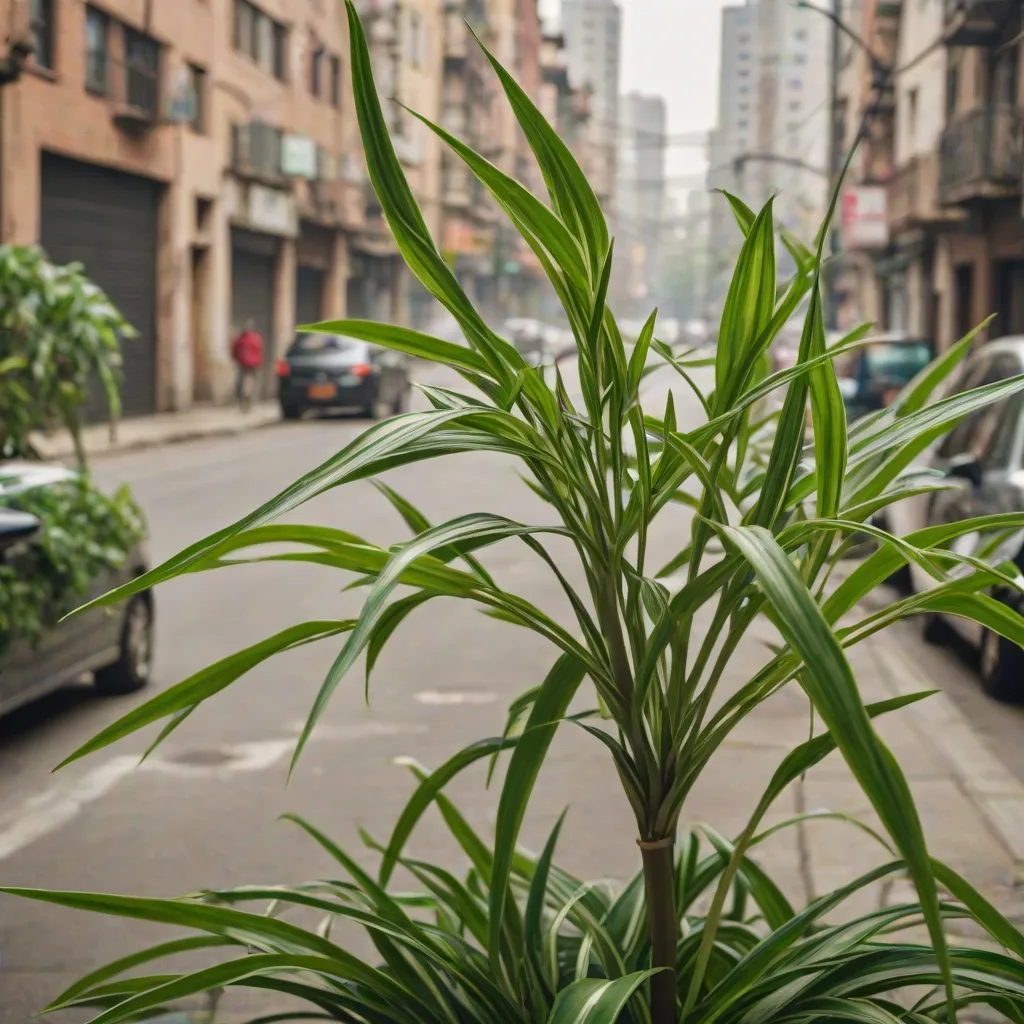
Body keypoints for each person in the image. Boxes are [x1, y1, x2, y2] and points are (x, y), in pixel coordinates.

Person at [231, 320, 264, 412]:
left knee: (241, 380)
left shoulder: (240, 339)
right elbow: (260, 350)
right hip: (253, 364)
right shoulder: (256, 338)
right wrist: (259, 362)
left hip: (243, 363)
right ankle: (249, 395)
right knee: (251, 381)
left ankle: (243, 396)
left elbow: (234, 350)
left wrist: (236, 359)